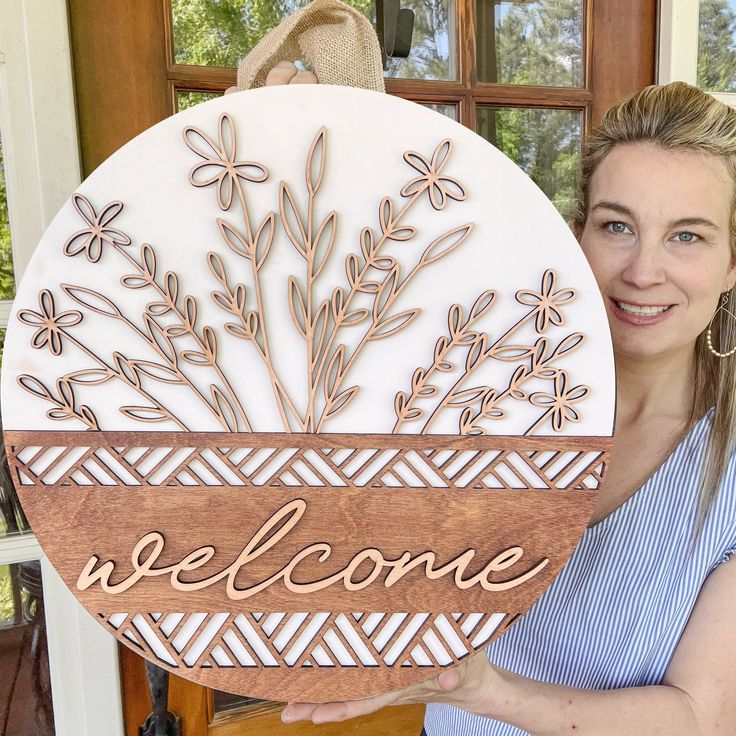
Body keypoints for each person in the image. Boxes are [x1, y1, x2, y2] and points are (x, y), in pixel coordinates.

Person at [257, 67, 736, 734]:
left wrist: (483, 690)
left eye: (687, 235)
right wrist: (277, 156)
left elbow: (702, 718)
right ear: (579, 236)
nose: (643, 271)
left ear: (732, 261)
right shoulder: (483, 384)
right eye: (616, 226)